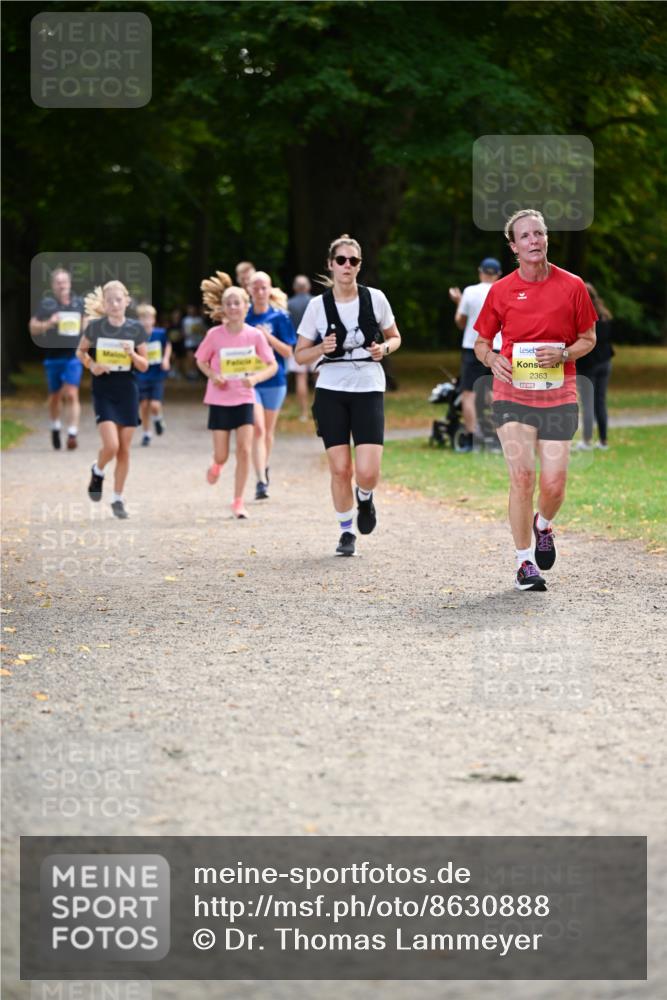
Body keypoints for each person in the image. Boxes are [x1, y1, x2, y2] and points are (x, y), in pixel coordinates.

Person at [474, 210, 597, 591]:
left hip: (558, 393)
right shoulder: (501, 291)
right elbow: (481, 342)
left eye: (539, 233)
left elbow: (588, 339)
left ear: (546, 238)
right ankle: (524, 563)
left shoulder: (573, 285)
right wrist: (492, 358)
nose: (533, 240)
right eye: (524, 236)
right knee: (523, 476)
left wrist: (563, 355)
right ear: (514, 246)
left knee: (555, 484)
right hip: (513, 393)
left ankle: (543, 524)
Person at [294, 234, 402, 557]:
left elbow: (395, 337)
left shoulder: (375, 299)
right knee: (340, 468)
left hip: (369, 386)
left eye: (353, 261)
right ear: (330, 264)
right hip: (331, 389)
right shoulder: (317, 306)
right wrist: (319, 348)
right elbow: (299, 356)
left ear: (359, 265)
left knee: (367, 472)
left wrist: (383, 348)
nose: (347, 266)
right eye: (341, 260)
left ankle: (365, 497)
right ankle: (345, 531)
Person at [196, 273, 277, 518]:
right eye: (228, 303)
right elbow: (200, 360)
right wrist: (212, 375)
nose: (232, 307)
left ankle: (238, 501)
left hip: (244, 398)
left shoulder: (255, 335)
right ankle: (217, 464)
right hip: (219, 400)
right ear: (223, 309)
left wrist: (254, 379)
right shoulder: (214, 335)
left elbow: (271, 365)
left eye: (237, 303)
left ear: (245, 307)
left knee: (243, 450)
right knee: (222, 453)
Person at [76, 280, 149, 519]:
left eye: (119, 300)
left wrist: (133, 354)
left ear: (127, 302)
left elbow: (145, 365)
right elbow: (81, 351)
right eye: (110, 300)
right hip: (104, 388)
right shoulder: (95, 328)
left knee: (124, 449)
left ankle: (117, 498)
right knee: (112, 445)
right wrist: (92, 364)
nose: (115, 304)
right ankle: (98, 470)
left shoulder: (136, 329)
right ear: (104, 304)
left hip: (127, 389)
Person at [245, 271, 297, 499]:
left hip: (275, 380)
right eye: (255, 287)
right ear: (248, 289)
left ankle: (264, 466)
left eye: (263, 287)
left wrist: (266, 337)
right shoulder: (242, 316)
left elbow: (288, 352)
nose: (259, 291)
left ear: (269, 289)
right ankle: (260, 481)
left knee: (267, 432)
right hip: (250, 380)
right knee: (258, 428)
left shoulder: (280, 317)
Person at [29, 267, 87, 450]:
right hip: (53, 356)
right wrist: (49, 323)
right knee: (55, 397)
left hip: (73, 355)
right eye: (58, 282)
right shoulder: (47, 305)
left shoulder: (79, 303)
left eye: (64, 282)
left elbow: (89, 323)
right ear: (53, 285)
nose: (62, 285)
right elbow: (32, 327)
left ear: (70, 284)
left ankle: (72, 433)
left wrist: (84, 325)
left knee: (71, 393)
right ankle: (55, 427)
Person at [448, 258, 502, 451]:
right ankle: (498, 438)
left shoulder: (469, 292)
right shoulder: (504, 291)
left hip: (473, 347)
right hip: (498, 348)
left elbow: (460, 322)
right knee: (497, 395)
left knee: (468, 394)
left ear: (480, 272)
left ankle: (471, 438)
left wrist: (459, 302)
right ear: (498, 275)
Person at [576, 284, 614, 450]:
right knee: (600, 401)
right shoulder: (605, 315)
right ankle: (603, 441)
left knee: (588, 403)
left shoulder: (584, 316)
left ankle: (587, 440)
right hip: (605, 362)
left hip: (588, 365)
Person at [135, 304, 171, 446]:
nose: (145, 321)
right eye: (142, 318)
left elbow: (167, 345)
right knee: (143, 405)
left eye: (148, 318)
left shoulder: (160, 333)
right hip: (142, 374)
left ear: (153, 320)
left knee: (155, 405)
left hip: (157, 374)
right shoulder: (136, 336)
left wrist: (166, 358)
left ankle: (158, 418)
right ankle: (146, 433)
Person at [287, 275, 314, 422]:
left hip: (297, 345)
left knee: (300, 378)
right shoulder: (316, 301)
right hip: (316, 345)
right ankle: (320, 410)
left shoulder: (288, 304)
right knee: (320, 378)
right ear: (308, 287)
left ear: (295, 288)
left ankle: (303, 413)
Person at [182, 305, 205, 380]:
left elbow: (203, 331)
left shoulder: (199, 320)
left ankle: (196, 373)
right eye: (190, 309)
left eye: (193, 309)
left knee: (197, 359)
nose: (191, 311)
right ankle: (190, 372)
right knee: (190, 358)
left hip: (198, 342)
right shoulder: (185, 320)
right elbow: (183, 331)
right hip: (189, 342)